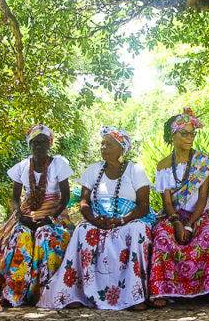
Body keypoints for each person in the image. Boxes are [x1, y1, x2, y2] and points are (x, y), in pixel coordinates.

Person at [39, 126, 155, 310]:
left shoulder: (135, 170)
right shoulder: (94, 169)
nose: (102, 147)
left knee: (137, 231)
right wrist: (94, 220)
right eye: (101, 144)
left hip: (129, 219)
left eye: (108, 144)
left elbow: (143, 206)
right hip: (98, 218)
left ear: (121, 148)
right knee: (83, 230)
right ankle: (74, 293)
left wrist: (121, 221)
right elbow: (84, 202)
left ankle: (133, 296)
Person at [149, 108, 209, 305]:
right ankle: (163, 290)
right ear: (172, 136)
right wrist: (176, 223)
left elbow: (202, 199)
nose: (190, 137)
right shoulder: (163, 165)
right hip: (173, 215)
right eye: (185, 133)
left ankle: (207, 288)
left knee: (208, 236)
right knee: (162, 237)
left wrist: (190, 225)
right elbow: (166, 202)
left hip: (198, 215)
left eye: (192, 133)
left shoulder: (203, 162)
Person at [0, 125, 73, 306]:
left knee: (47, 235)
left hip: (54, 211)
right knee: (20, 235)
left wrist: (51, 218)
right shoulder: (22, 166)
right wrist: (20, 217)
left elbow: (65, 196)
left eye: (43, 142)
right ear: (29, 146)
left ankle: (43, 292)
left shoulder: (59, 164)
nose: (38, 147)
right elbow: (14, 198)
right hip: (28, 211)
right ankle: (15, 292)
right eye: (34, 143)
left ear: (49, 144)